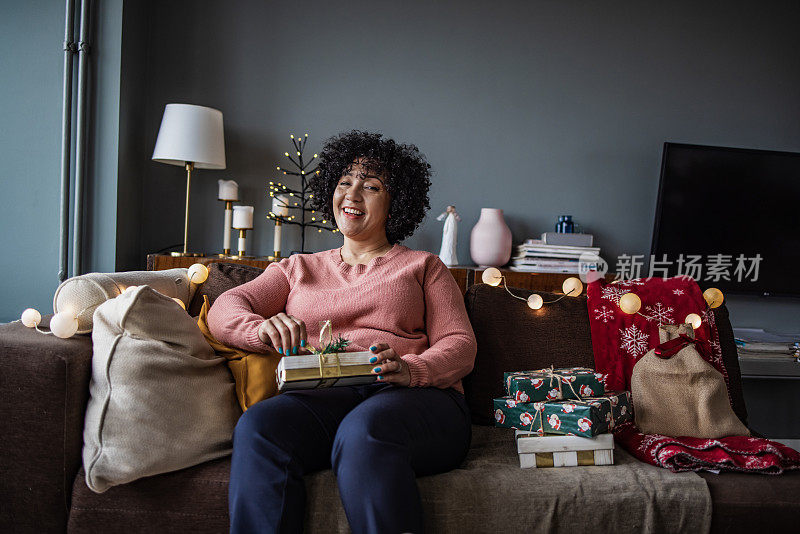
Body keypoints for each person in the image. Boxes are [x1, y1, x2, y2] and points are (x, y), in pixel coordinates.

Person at [207, 130, 477, 534]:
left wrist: (410, 369)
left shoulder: (423, 266)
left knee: (365, 431)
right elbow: (225, 307)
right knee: (259, 427)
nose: (353, 194)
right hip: (324, 398)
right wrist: (260, 328)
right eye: (344, 182)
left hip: (415, 400)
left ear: (395, 202)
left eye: (371, 186)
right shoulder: (298, 268)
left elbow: (460, 345)